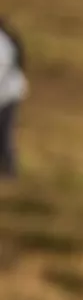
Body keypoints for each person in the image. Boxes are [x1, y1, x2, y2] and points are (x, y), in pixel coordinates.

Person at [0, 15, 23, 180]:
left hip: (8, 95)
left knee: (4, 133)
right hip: (8, 92)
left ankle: (9, 171)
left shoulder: (3, 43)